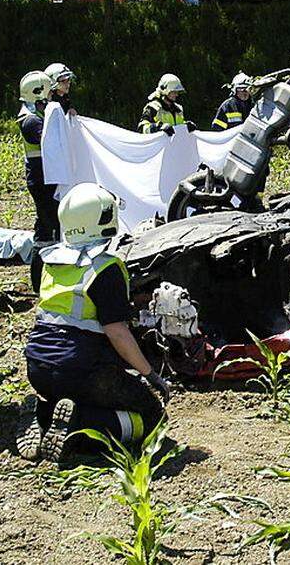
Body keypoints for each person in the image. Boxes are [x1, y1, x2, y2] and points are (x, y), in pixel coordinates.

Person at [16, 183, 171, 463]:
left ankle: (43, 414)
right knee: (151, 418)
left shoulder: (47, 262)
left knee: (77, 394)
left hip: (38, 366)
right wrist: (150, 375)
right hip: (82, 370)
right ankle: (77, 428)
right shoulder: (106, 268)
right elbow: (117, 332)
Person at [17, 70, 60, 292]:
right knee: (47, 231)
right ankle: (39, 282)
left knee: (47, 228)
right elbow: (49, 140)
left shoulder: (35, 117)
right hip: (41, 181)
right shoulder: (30, 121)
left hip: (45, 179)